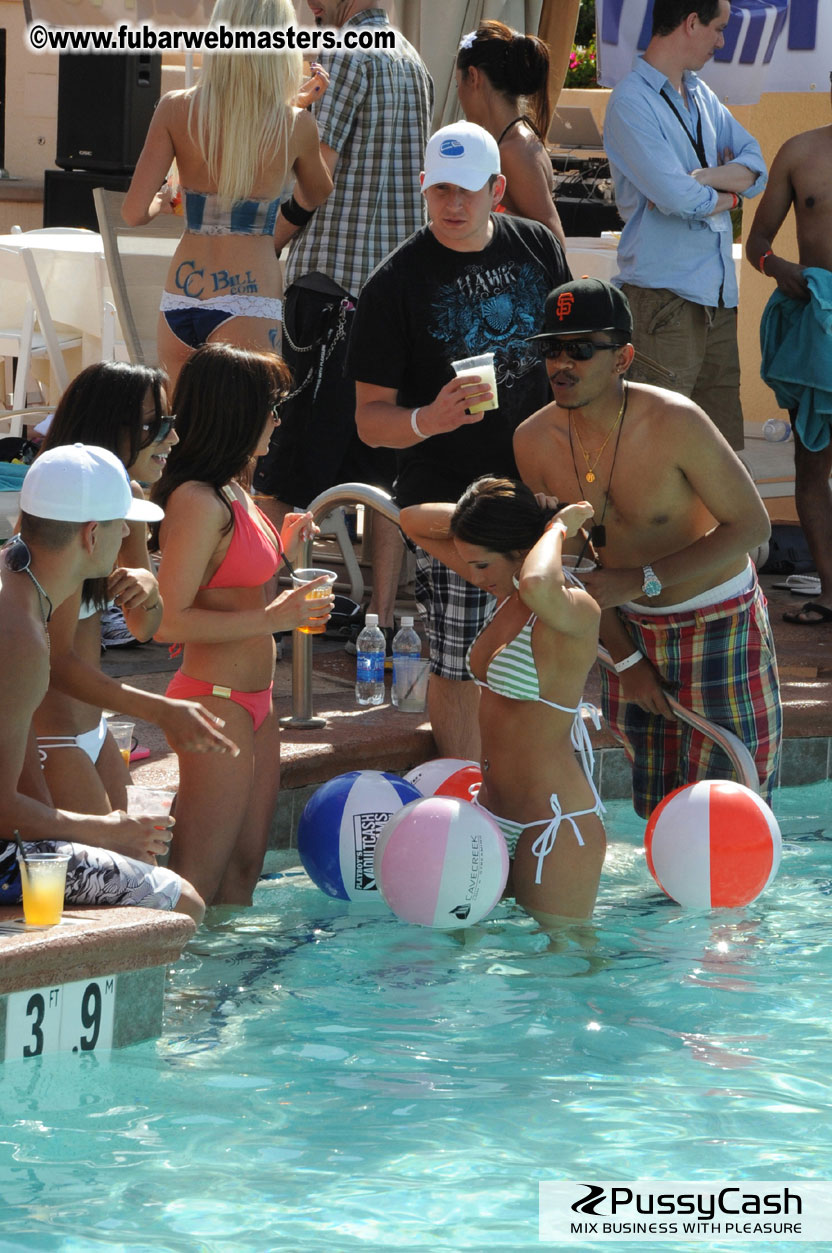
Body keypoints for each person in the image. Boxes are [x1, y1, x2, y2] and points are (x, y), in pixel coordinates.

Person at [513, 277, 781, 819]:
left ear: (623, 357)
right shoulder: (532, 441)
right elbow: (579, 566)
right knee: (657, 810)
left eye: (581, 348)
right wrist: (627, 656)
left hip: (718, 624)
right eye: (551, 348)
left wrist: (642, 578)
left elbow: (752, 525)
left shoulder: (675, 422)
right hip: (627, 630)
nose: (562, 363)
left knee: (738, 813)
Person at [348, 120, 571, 760]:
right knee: (462, 660)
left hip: (541, 491)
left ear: (497, 189)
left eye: (466, 190)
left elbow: (562, 358)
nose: (451, 204)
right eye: (439, 189)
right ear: (422, 186)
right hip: (454, 499)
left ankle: (528, 792)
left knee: (546, 653)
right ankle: (466, 793)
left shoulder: (537, 248)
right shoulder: (394, 284)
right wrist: (428, 420)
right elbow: (369, 418)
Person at [254, 0, 434, 643]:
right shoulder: (413, 62)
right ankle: (382, 623)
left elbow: (313, 173)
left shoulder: (341, 56)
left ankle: (262, 619)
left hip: (328, 289)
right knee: (386, 471)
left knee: (282, 465)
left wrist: (261, 241)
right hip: (391, 297)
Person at [151, 344, 334, 907]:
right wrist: (276, 617)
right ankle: (178, 993)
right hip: (216, 700)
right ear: (235, 411)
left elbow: (230, 581)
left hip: (254, 703)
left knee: (244, 873)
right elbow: (166, 621)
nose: (278, 419)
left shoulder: (235, 489)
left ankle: (223, 993)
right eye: (270, 407)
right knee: (196, 882)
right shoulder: (197, 500)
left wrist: (285, 545)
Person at [0, 444, 204, 923]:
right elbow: (4, 812)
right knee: (179, 902)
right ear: (93, 535)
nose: (132, 539)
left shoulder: (14, 575)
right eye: (124, 527)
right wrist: (108, 831)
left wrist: (68, 831)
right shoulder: (22, 637)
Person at [32, 362, 237, 817]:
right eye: (156, 425)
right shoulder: (67, 511)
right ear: (109, 425)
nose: (173, 438)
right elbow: (56, 662)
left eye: (172, 423)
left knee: (134, 864)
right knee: (109, 875)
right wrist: (161, 710)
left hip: (93, 727)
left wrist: (148, 587)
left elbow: (145, 627)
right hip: (53, 736)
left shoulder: (131, 501)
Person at [400, 479, 605, 922]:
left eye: (480, 564)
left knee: (564, 966)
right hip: (490, 815)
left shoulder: (575, 608)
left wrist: (556, 528)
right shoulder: (507, 594)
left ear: (521, 551)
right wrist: (476, 510)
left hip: (553, 824)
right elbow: (411, 520)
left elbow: (537, 582)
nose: (472, 576)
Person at [123, 0, 333, 390]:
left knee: (179, 436)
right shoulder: (294, 124)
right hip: (248, 298)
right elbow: (319, 190)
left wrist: (164, 200)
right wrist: (295, 110)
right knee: (245, 441)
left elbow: (134, 212)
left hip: (181, 298)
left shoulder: (175, 108)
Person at [602, 0, 767, 452]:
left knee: (723, 457)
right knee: (657, 453)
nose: (722, 40)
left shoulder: (701, 94)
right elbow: (677, 197)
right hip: (663, 301)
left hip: (715, 302)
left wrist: (709, 180)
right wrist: (729, 195)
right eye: (718, 28)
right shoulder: (630, 101)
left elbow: (758, 165)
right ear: (690, 23)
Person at [746, 98, 832, 627]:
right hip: (814, 330)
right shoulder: (799, 152)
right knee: (813, 464)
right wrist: (777, 268)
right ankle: (830, 588)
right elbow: (756, 242)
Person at [455, 20, 566, 248]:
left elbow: (554, 243)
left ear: (474, 77)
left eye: (458, 85)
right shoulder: (512, 143)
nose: (460, 96)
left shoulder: (515, 150)